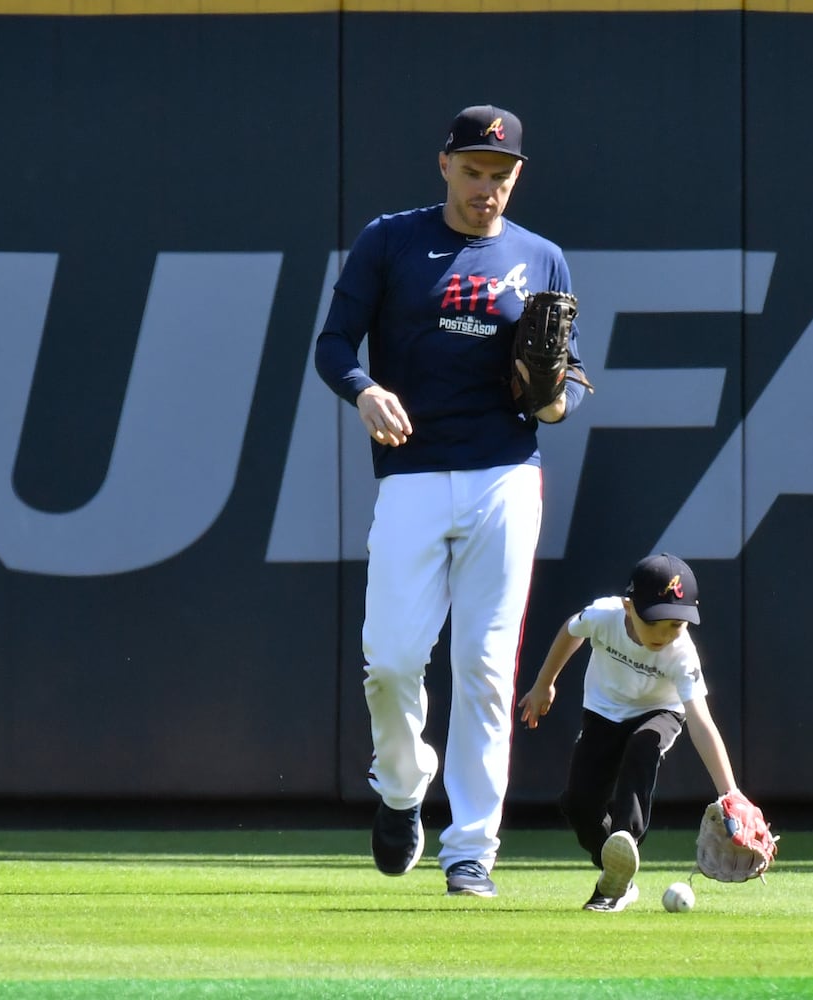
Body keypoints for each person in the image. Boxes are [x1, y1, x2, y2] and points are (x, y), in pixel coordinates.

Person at [314, 104, 590, 898]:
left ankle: (471, 847)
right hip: (411, 472)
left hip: (504, 472)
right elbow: (333, 343)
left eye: (500, 174)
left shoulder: (541, 257)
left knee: (483, 663)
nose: (486, 187)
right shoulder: (390, 240)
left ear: (517, 176)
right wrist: (363, 389)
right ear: (444, 166)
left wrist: (551, 402)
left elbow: (563, 382)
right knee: (393, 661)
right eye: (473, 170)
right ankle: (402, 790)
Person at [517, 552, 744, 912]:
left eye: (677, 624)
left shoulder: (681, 654)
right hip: (603, 713)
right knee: (579, 806)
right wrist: (544, 683)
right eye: (656, 621)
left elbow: (701, 722)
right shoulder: (605, 616)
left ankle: (627, 833)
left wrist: (730, 794)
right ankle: (617, 876)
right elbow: (571, 631)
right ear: (628, 607)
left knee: (644, 744)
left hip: (659, 711)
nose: (666, 633)